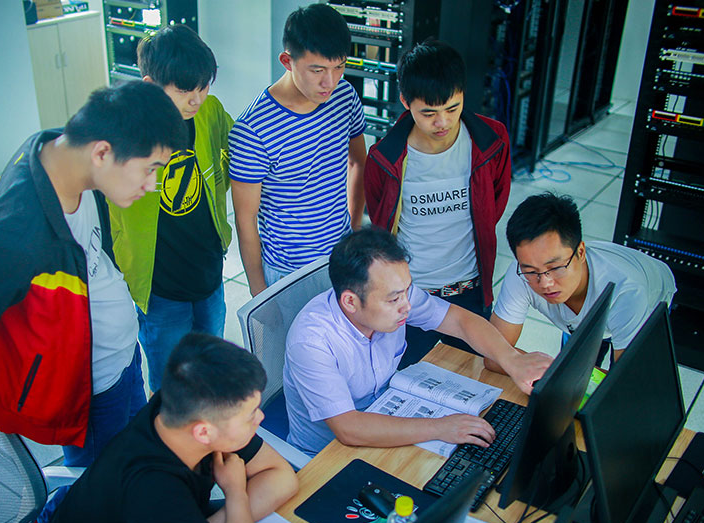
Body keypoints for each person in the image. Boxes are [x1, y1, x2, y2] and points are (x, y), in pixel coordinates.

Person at [0, 81, 186, 468]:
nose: (151, 184)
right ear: (102, 153)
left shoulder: (61, 152)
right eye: (149, 169)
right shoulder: (17, 238)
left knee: (135, 461)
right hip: (91, 391)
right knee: (102, 490)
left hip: (122, 359)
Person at [31, 333, 299, 523]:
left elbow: (282, 477)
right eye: (250, 416)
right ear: (203, 433)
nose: (260, 418)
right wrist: (236, 492)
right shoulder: (153, 489)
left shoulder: (177, 409)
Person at [283, 228, 552, 457]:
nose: (407, 306)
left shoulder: (396, 296)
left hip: (388, 418)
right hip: (327, 455)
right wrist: (440, 427)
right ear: (351, 302)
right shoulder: (312, 341)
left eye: (407, 290)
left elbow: (460, 321)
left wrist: (512, 360)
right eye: (394, 299)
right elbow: (348, 428)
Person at [365, 39, 511, 369]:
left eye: (452, 108)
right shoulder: (385, 158)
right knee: (403, 378)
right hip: (411, 296)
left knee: (473, 378)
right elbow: (381, 218)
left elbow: (494, 203)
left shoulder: (492, 141)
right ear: (406, 102)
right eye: (428, 113)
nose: (442, 122)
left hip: (470, 289)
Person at [109, 25, 234, 393]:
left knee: (209, 366)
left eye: (203, 86)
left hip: (207, 272)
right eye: (184, 90)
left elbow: (238, 154)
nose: (196, 99)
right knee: (169, 382)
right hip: (158, 286)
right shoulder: (126, 131)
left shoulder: (210, 111)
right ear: (151, 85)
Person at [229, 3, 366, 296]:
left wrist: (353, 231)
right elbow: (245, 220)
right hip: (287, 272)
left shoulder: (344, 96)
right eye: (317, 70)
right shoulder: (252, 129)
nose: (330, 82)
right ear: (287, 61)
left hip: (341, 259)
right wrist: (259, 293)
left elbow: (358, 163)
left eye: (339, 67)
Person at [486, 192, 676, 371]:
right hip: (589, 310)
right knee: (574, 366)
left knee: (620, 371)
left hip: (651, 295)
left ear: (581, 252)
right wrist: (555, 374)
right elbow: (493, 357)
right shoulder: (520, 273)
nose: (545, 283)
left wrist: (535, 369)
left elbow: (623, 383)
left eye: (555, 268)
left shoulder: (627, 292)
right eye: (531, 271)